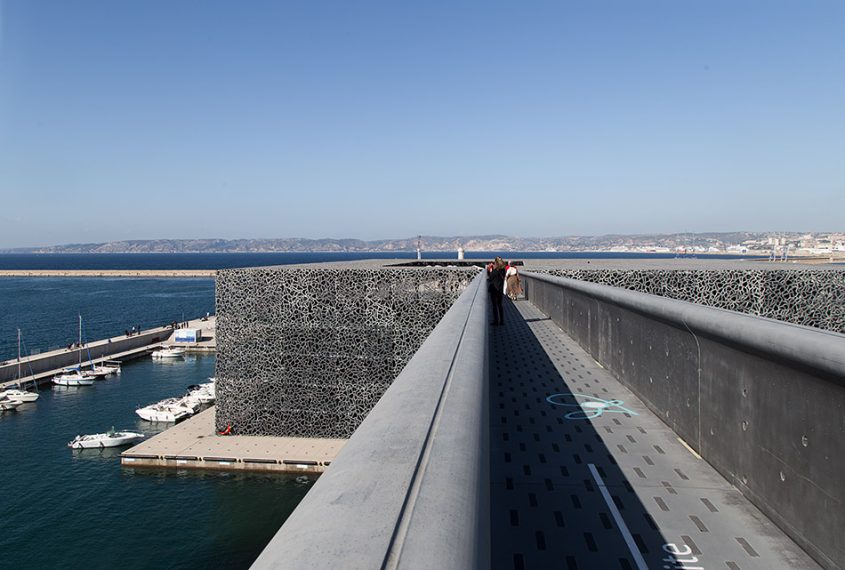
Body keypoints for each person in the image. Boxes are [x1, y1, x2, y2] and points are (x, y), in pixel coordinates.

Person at [487, 257, 506, 326]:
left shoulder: (495, 271)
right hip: (500, 289)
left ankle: (496, 321)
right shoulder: (503, 270)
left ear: (496, 263)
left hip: (494, 290)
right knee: (500, 305)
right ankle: (502, 320)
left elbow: (490, 278)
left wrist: (489, 270)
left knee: (494, 306)